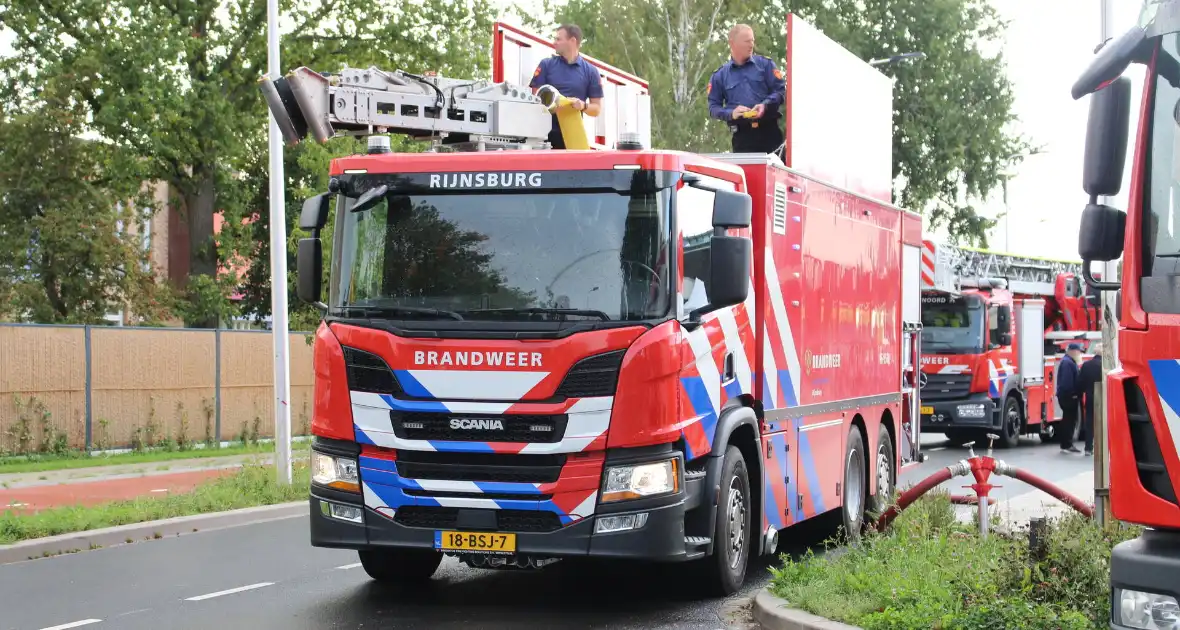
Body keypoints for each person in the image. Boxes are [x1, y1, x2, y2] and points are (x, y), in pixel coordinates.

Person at [707, 24, 787, 157]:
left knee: (776, 175)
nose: (751, 45)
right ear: (732, 43)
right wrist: (732, 113)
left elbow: (780, 91)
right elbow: (713, 107)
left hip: (770, 133)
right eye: (747, 41)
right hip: (742, 138)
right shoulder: (720, 76)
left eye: (752, 40)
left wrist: (765, 105)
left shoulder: (765, 65)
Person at [528, 24, 604, 149]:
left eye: (558, 39)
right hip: (542, 138)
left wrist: (583, 106)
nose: (554, 42)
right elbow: (534, 99)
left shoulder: (591, 71)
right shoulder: (546, 65)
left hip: (571, 137)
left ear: (572, 41)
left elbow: (596, 109)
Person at [1057, 343, 1085, 453]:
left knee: (1068, 420)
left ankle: (1066, 444)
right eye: (1079, 351)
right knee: (1069, 420)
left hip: (1066, 396)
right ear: (1072, 351)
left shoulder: (1067, 362)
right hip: (1069, 397)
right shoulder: (1068, 363)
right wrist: (1073, 394)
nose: (1079, 354)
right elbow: (1066, 382)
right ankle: (1066, 444)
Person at [1078, 342, 1104, 456]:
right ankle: (1102, 448)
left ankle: (1088, 447)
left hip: (1089, 397)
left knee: (1089, 423)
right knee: (1102, 423)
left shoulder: (1086, 365)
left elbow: (1080, 382)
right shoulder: (1105, 366)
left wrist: (1080, 393)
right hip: (1103, 398)